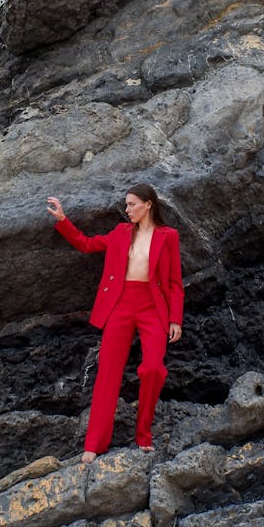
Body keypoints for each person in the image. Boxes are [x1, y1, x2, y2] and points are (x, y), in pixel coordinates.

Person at [47, 185, 184, 463]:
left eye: (132, 204)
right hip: (120, 306)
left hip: (152, 308)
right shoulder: (121, 232)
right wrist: (63, 220)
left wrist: (175, 320)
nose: (127, 209)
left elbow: (174, 283)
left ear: (148, 205)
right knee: (107, 374)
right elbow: (87, 244)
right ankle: (94, 445)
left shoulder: (168, 236)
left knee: (153, 369)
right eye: (126, 205)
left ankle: (143, 434)